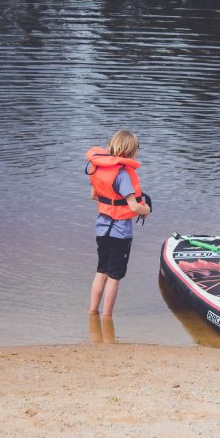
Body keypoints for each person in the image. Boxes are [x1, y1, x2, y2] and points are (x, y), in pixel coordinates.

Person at [85, 130, 151, 317]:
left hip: (101, 229)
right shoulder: (123, 175)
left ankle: (92, 312)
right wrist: (147, 210)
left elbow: (93, 196)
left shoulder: (99, 168)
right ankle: (107, 318)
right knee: (114, 278)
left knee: (101, 272)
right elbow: (133, 205)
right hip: (120, 233)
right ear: (131, 151)